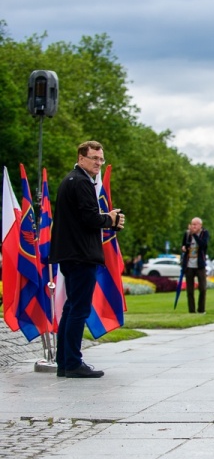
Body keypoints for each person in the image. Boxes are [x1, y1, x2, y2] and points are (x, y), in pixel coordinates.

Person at [50, 141, 124, 378]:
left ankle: (64, 362)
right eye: (94, 158)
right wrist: (110, 220)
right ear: (81, 158)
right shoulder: (81, 182)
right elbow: (90, 218)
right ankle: (72, 362)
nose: (98, 163)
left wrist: (107, 220)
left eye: (101, 159)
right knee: (78, 310)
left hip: (70, 253)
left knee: (71, 308)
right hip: (81, 254)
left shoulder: (70, 180)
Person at [180, 217, 209, 314]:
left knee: (203, 288)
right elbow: (184, 245)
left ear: (200, 225)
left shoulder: (204, 234)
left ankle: (201, 310)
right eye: (192, 224)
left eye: (195, 224)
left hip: (200, 265)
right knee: (190, 290)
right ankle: (191, 311)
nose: (193, 226)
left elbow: (203, 245)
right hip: (189, 265)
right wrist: (184, 247)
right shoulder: (187, 234)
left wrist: (195, 235)